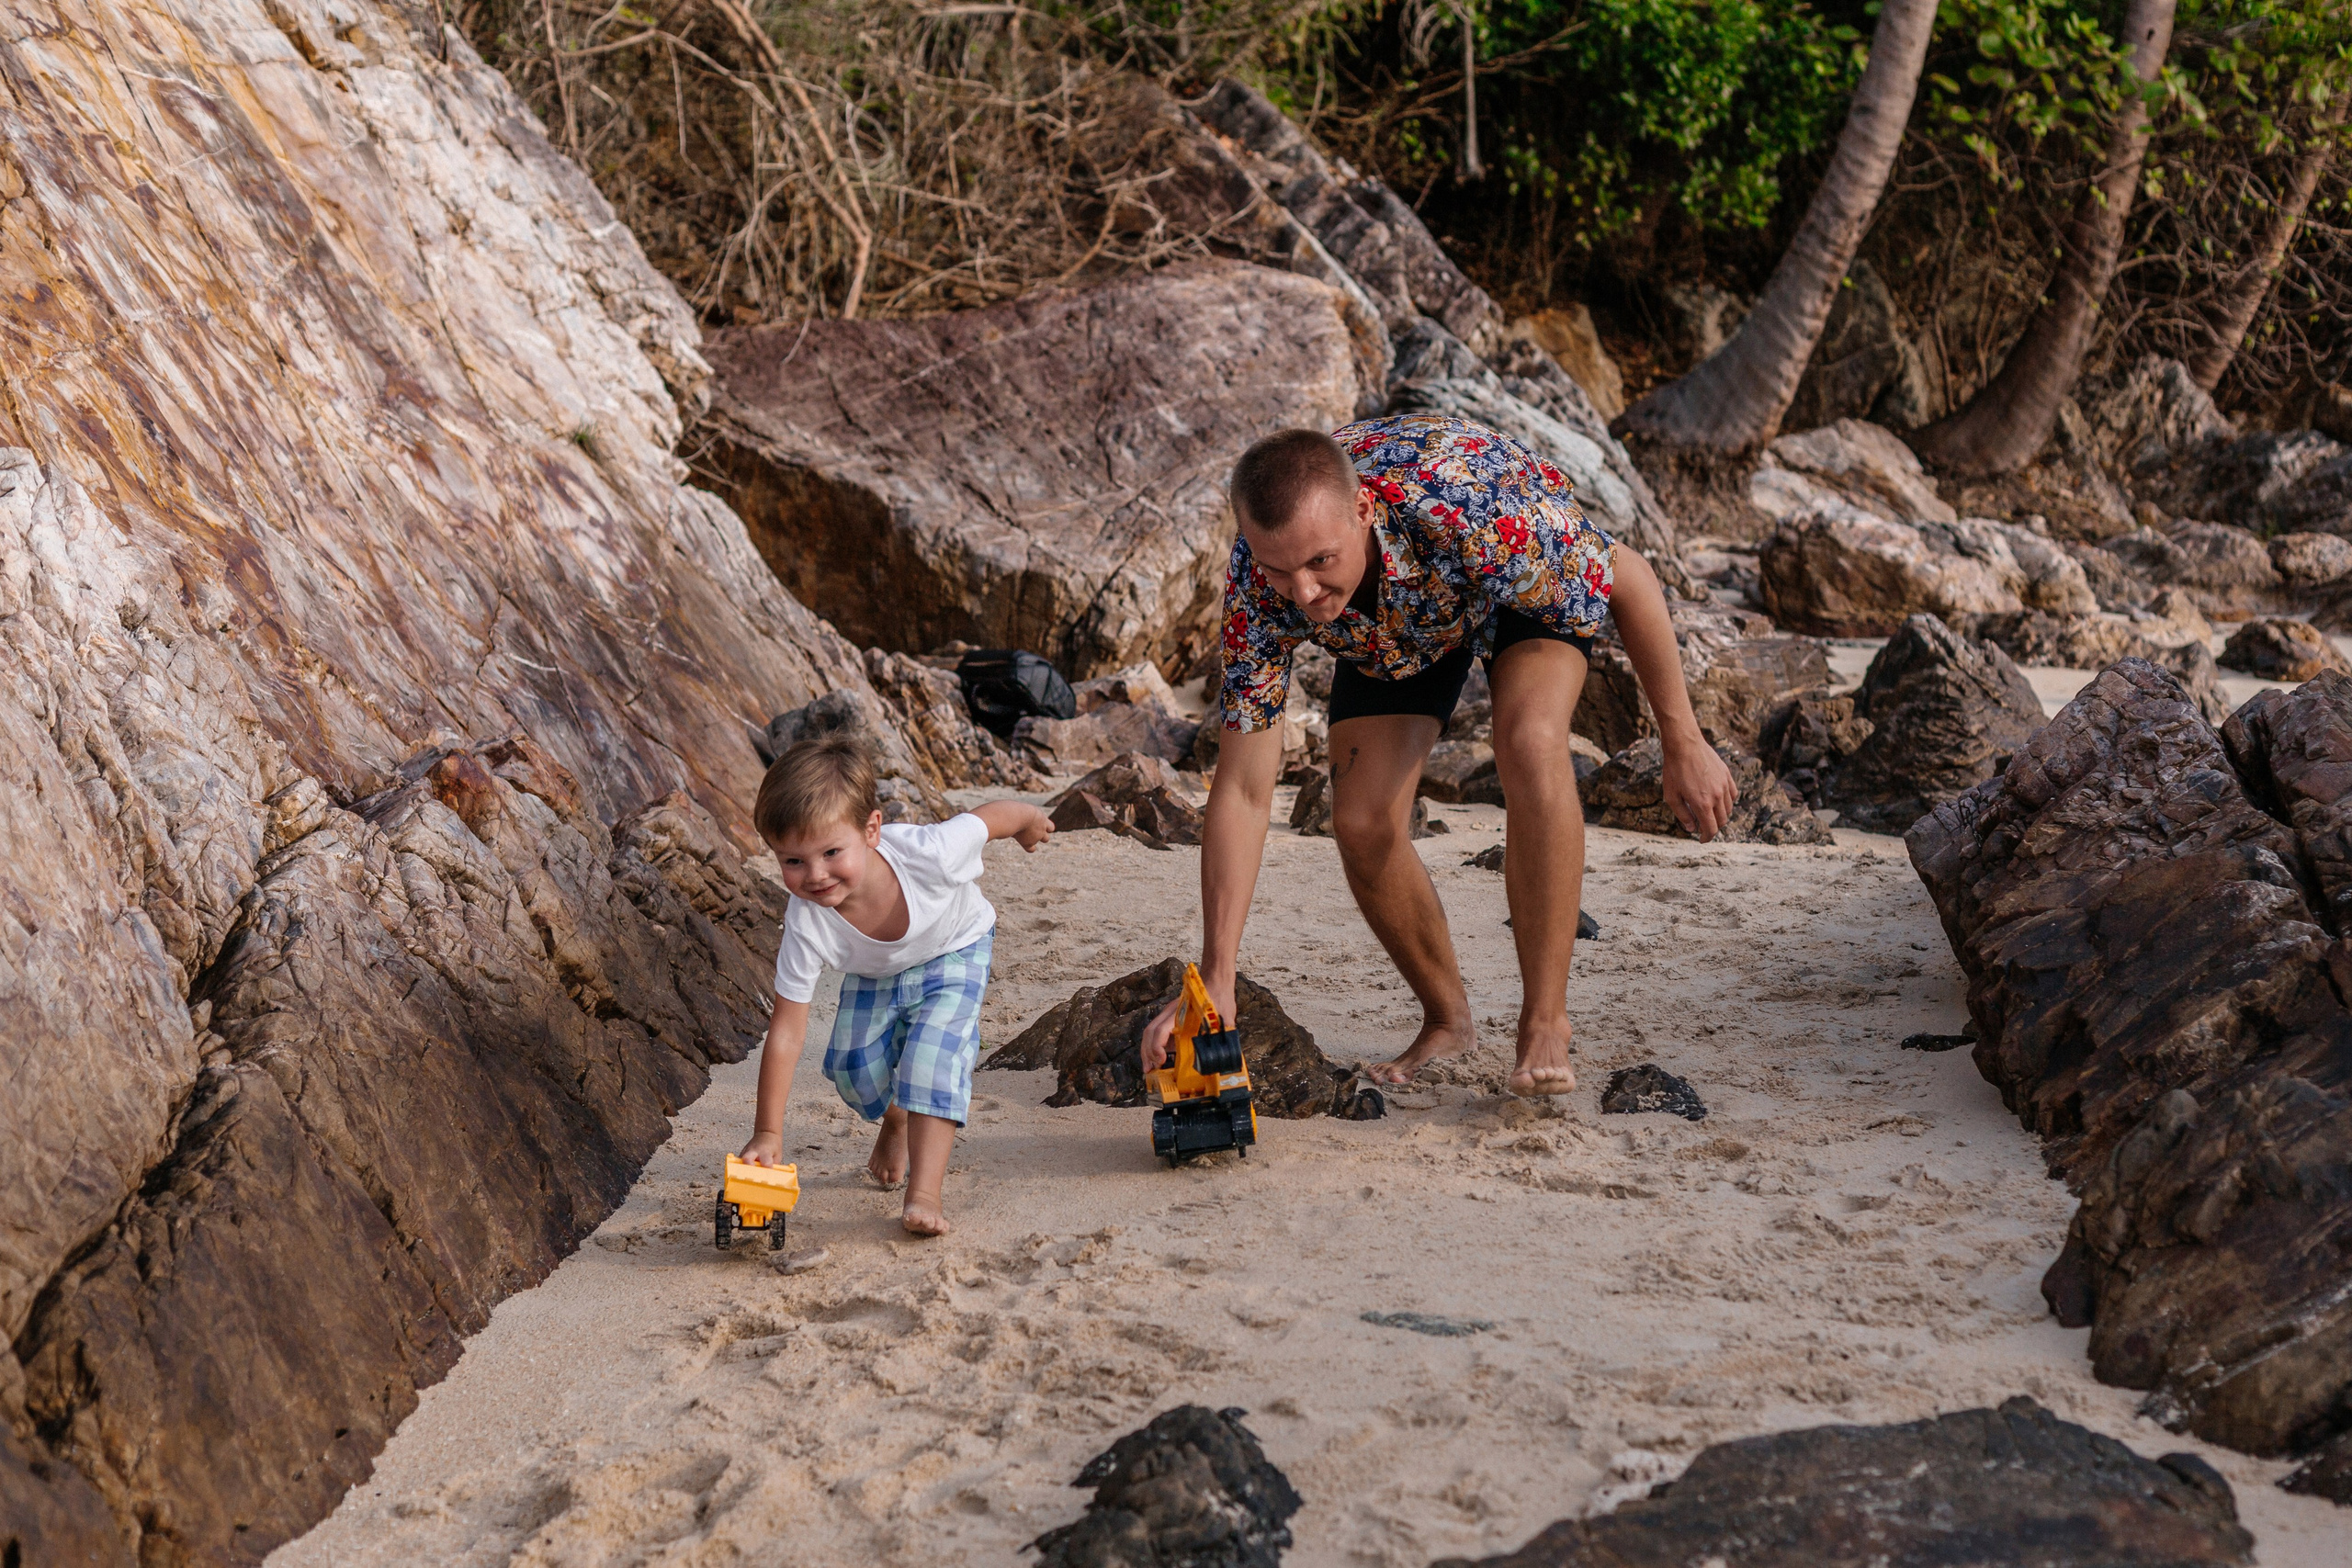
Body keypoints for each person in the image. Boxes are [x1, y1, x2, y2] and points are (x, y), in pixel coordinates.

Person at [1143, 414, 1736, 1096]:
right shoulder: (1261, 581)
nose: (1302, 594)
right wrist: (1217, 974)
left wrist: (1682, 741)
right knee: (1362, 820)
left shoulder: (1467, 504)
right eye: (1281, 569)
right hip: (1396, 624)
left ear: (1363, 508)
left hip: (1505, 584)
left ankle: (1545, 1021)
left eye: (1319, 562)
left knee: (1529, 740)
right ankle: (1448, 1019)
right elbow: (1244, 791)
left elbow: (1627, 576)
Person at [738, 734, 1053, 1235]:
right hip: (876, 971)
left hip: (955, 948)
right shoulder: (807, 920)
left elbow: (988, 820)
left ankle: (925, 1192)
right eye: (793, 861)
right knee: (853, 1070)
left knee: (933, 1061)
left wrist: (1030, 821)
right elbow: (787, 1032)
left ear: (872, 829)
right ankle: (898, 1118)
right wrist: (767, 1132)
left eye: (830, 852)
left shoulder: (931, 854)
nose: (815, 875)